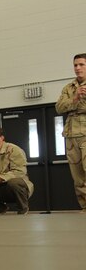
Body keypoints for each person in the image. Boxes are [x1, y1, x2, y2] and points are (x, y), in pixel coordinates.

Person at [55, 53, 86, 212]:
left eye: (81, 64)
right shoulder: (68, 88)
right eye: (75, 65)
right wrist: (74, 99)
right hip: (71, 135)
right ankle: (84, 208)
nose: (78, 68)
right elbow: (59, 107)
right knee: (78, 176)